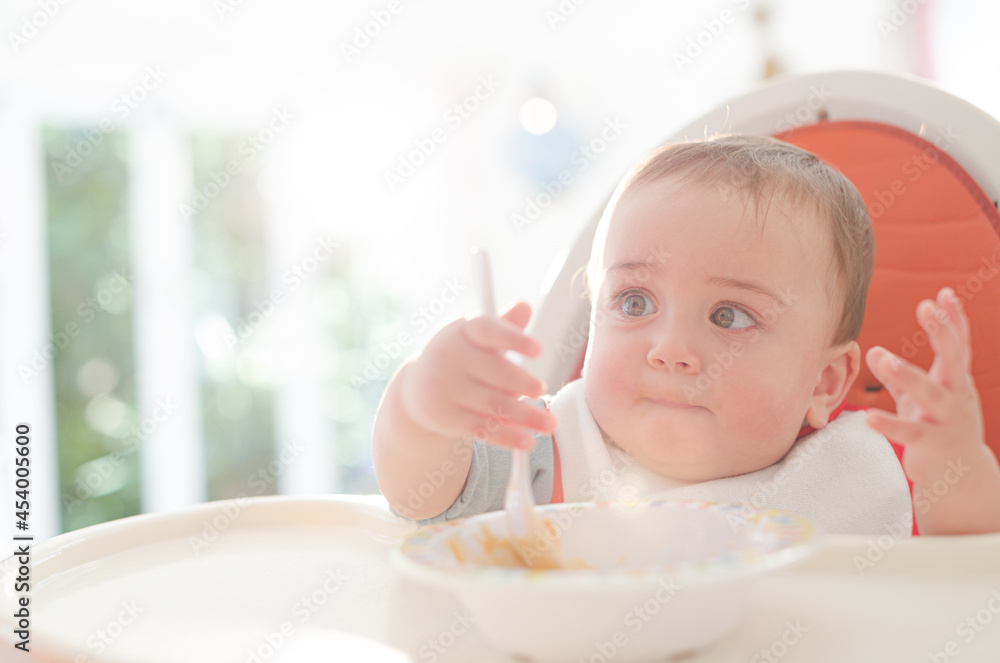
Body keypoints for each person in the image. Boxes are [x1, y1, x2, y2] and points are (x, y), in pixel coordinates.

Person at [371, 134, 1000, 536]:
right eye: (635, 301)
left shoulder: (853, 474)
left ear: (825, 381)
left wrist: (955, 465)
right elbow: (424, 496)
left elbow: (964, 570)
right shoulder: (550, 454)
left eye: (730, 315)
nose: (668, 349)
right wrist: (421, 409)